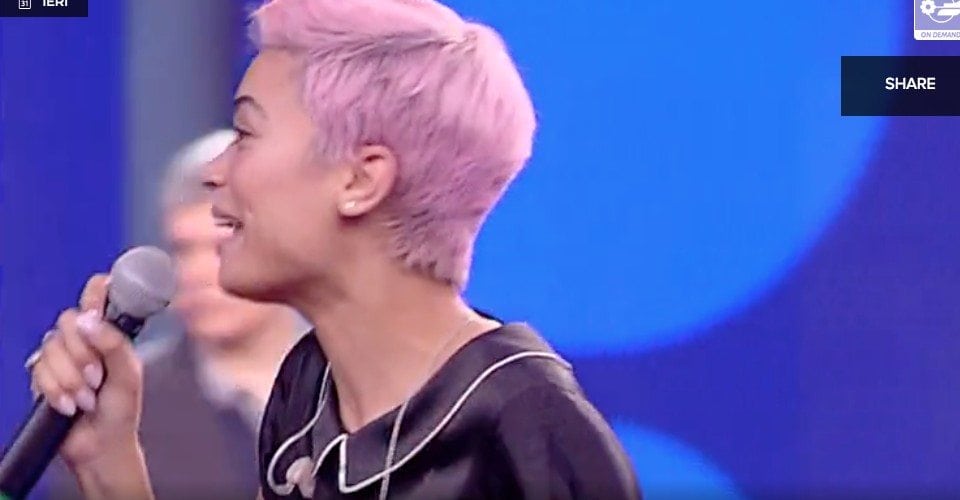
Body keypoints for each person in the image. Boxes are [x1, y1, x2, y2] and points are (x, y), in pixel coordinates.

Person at [28, 0, 641, 498]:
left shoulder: (531, 428)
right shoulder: (306, 393)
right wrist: (109, 465)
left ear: (360, 180)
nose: (215, 172)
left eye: (245, 132)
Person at [38, 130, 302, 498]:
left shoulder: (345, 387)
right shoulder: (118, 409)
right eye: (183, 250)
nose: (195, 273)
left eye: (221, 245)